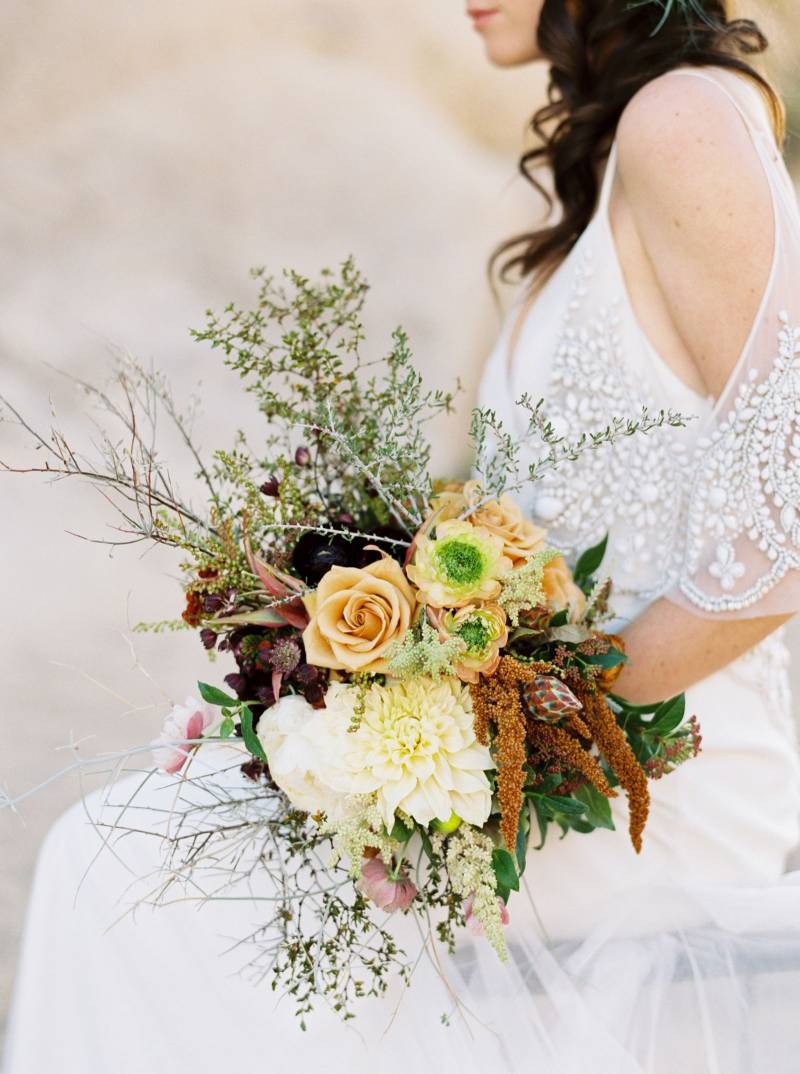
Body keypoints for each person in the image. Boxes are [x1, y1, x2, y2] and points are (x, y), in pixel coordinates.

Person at [5, 2, 800, 1071]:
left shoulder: (683, 120)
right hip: (549, 749)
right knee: (124, 850)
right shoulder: (611, 165)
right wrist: (326, 706)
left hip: (659, 781)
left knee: (119, 875)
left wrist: (546, 722)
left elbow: (787, 508)